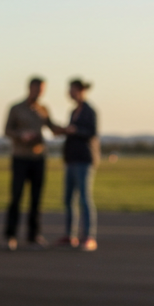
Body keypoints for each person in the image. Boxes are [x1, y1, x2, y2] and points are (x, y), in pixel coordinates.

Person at [3, 76, 57, 250]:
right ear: (30, 88)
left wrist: (70, 129)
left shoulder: (43, 109)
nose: (40, 92)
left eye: (42, 89)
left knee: (36, 199)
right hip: (20, 157)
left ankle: (34, 235)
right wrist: (21, 135)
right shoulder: (16, 108)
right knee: (16, 197)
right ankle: (11, 235)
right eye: (37, 89)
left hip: (38, 159)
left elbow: (52, 127)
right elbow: (6, 130)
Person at [59, 78, 99, 251]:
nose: (70, 92)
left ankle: (89, 237)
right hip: (71, 160)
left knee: (84, 198)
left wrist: (75, 130)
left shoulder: (89, 111)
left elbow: (92, 133)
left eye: (73, 89)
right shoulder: (73, 111)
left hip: (83, 160)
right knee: (68, 199)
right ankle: (71, 235)